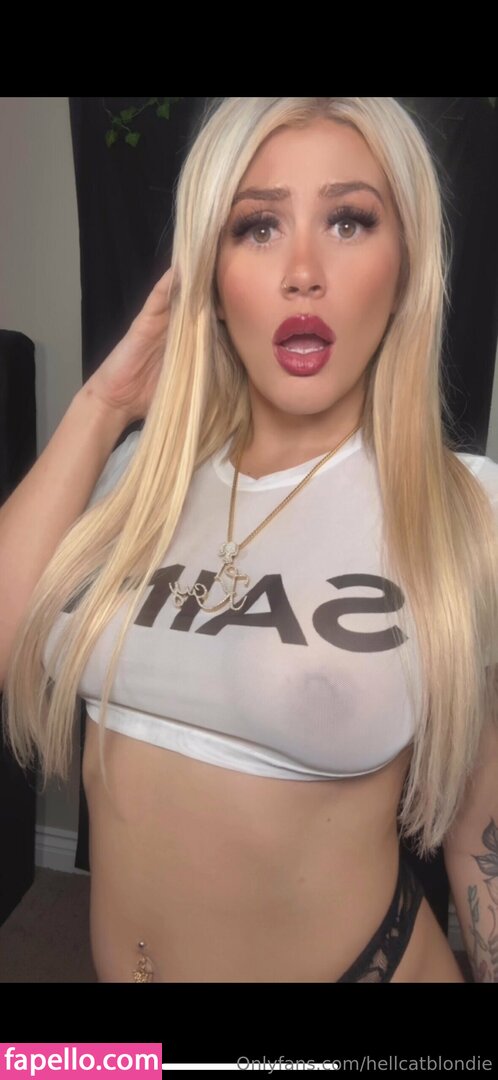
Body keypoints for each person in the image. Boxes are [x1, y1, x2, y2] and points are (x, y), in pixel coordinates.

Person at [2, 97, 498, 984]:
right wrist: (103, 405)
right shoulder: (133, 482)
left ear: (406, 267)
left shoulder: (468, 511)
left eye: (348, 221)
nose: (303, 271)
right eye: (257, 227)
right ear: (210, 274)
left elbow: (480, 838)